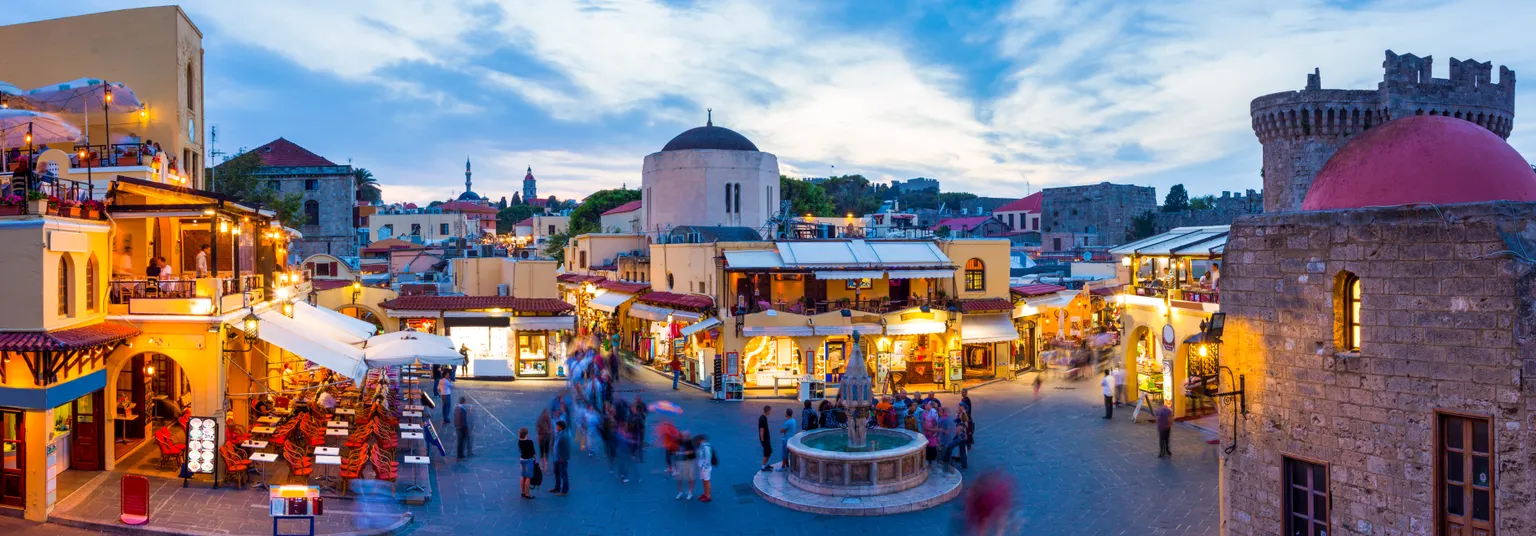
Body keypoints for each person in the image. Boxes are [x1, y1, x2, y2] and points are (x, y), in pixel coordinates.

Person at [550, 420, 571, 495]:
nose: (556, 427)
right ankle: (557, 487)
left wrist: (563, 457)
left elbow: (567, 448)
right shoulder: (558, 434)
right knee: (557, 473)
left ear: (561, 427)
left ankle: (564, 490)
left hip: (561, 459)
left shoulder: (564, 436)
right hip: (556, 458)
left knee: (563, 475)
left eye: (557, 426)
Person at [674, 432, 697, 500]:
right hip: (681, 461)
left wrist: (687, 452)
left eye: (685, 436)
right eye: (683, 436)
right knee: (679, 478)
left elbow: (693, 451)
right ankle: (680, 492)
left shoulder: (691, 443)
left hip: (690, 461)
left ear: (688, 437)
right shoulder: (680, 442)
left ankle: (690, 492)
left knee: (690, 477)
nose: (684, 437)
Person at [518, 428, 537, 499]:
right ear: (526, 434)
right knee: (528, 477)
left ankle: (522, 492)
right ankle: (527, 493)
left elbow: (520, 450)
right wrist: (535, 460)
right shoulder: (530, 442)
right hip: (529, 460)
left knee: (523, 476)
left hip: (522, 459)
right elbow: (533, 453)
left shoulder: (519, 441)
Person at [695, 435, 714, 502]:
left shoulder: (706, 447)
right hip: (702, 467)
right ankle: (705, 494)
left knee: (707, 481)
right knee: (704, 481)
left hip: (705, 468)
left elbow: (708, 457)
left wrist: (705, 467)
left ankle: (708, 496)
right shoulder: (701, 446)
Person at [758, 405, 773, 472]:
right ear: (767, 411)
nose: (770, 412)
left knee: (769, 451)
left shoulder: (764, 418)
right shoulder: (763, 419)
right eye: (770, 411)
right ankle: (763, 466)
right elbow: (761, 429)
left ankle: (765, 464)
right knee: (766, 452)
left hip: (766, 438)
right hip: (765, 439)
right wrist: (762, 439)